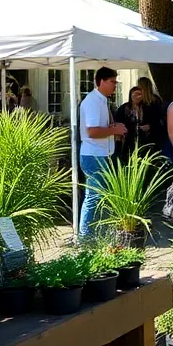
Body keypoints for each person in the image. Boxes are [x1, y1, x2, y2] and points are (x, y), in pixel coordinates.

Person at [78, 67, 127, 237]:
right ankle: (85, 237)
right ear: (101, 81)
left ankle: (91, 234)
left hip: (98, 154)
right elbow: (92, 131)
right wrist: (114, 130)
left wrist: (113, 129)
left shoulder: (101, 100)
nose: (115, 85)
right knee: (93, 196)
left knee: (97, 196)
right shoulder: (93, 101)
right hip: (93, 155)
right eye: (112, 82)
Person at [114, 86, 145, 161]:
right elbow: (117, 122)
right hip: (126, 140)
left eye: (140, 94)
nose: (137, 97)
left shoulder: (145, 107)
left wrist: (147, 126)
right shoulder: (124, 108)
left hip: (142, 139)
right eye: (135, 95)